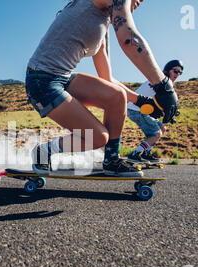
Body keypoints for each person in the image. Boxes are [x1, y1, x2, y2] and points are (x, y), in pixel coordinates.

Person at [25, 0, 179, 177]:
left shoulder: (104, 22)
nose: (140, 2)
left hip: (64, 78)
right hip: (41, 81)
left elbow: (107, 78)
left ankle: (112, 161)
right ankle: (42, 151)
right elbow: (129, 40)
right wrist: (164, 86)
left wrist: (141, 100)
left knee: (117, 95)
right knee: (98, 137)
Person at [127, 60, 184, 163]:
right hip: (136, 110)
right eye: (175, 71)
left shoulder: (164, 81)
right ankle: (135, 154)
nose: (178, 74)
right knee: (156, 134)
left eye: (180, 72)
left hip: (140, 110)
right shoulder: (163, 82)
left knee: (162, 128)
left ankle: (146, 153)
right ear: (167, 70)